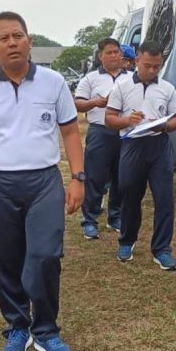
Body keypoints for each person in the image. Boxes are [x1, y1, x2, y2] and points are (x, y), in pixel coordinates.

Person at [0, 10, 84, 351]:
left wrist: (78, 177)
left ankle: (46, 329)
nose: (12, 43)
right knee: (4, 258)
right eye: (4, 38)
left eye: (18, 36)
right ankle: (17, 325)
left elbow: (71, 132)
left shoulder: (54, 82)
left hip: (43, 182)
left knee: (45, 255)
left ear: (29, 41)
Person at [105, 40, 176, 270]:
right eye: (147, 65)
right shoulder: (122, 86)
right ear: (136, 60)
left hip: (159, 146)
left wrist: (164, 126)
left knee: (164, 199)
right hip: (132, 145)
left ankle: (162, 249)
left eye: (156, 66)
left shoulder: (167, 88)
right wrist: (127, 120)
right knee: (130, 194)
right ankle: (127, 240)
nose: (151, 70)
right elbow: (109, 118)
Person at [74, 37, 130, 240]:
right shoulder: (90, 78)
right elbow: (78, 103)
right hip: (100, 131)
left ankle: (115, 216)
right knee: (95, 177)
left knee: (121, 176)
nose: (114, 55)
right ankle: (89, 219)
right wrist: (95, 102)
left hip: (125, 132)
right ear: (101, 56)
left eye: (117, 52)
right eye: (110, 52)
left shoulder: (132, 77)